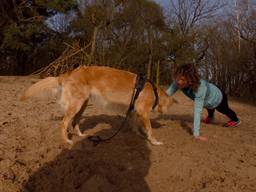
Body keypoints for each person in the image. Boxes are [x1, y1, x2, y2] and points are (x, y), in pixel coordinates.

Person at [166, 63, 241, 141]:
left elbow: (197, 111)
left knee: (223, 109)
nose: (179, 82)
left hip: (219, 97)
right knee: (208, 106)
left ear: (190, 80)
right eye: (178, 78)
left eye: (183, 80)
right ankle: (211, 117)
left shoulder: (200, 88)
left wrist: (196, 135)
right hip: (207, 99)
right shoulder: (177, 82)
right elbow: (166, 94)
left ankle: (236, 120)